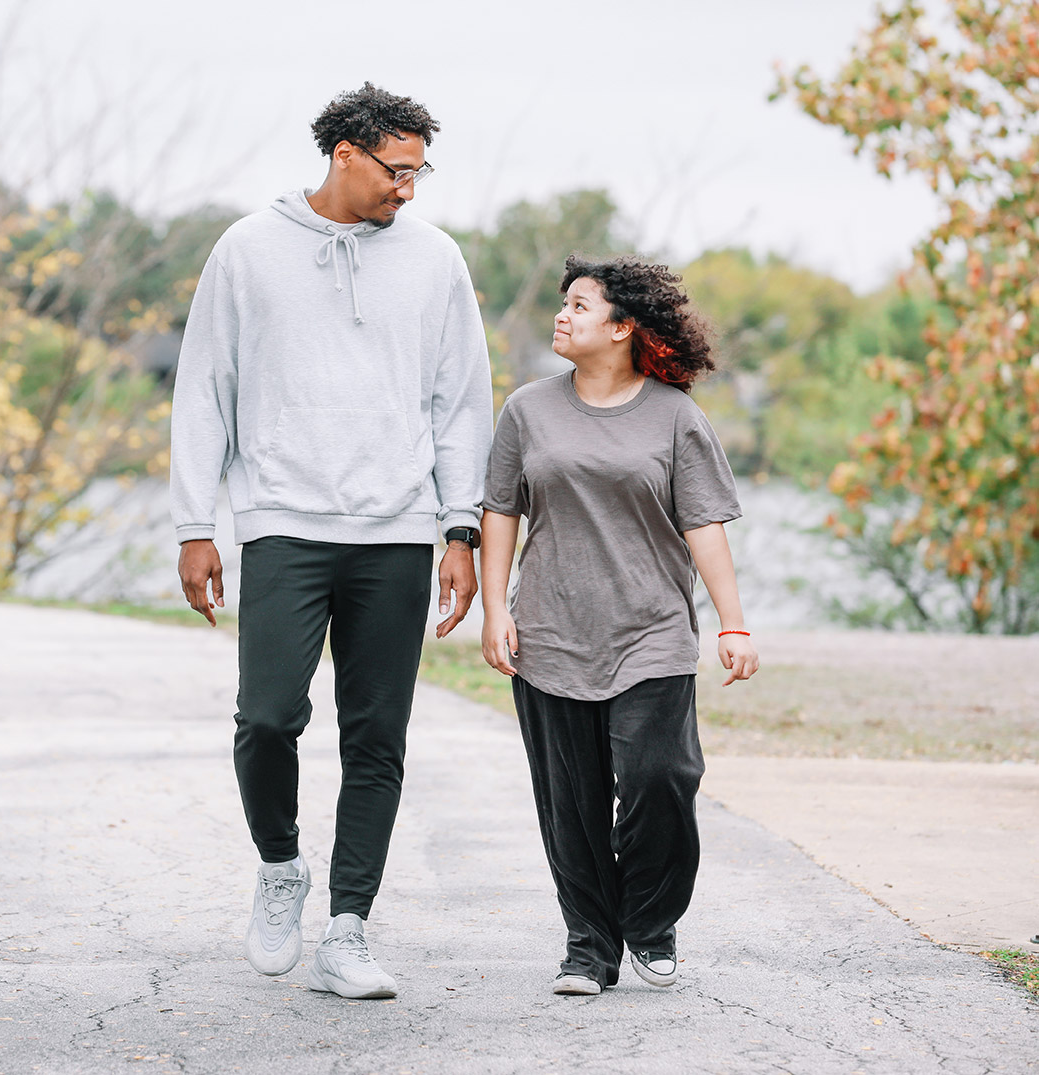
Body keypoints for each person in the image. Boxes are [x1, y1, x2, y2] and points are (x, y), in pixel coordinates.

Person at [169, 83, 492, 999]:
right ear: (343, 153)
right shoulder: (247, 250)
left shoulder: (435, 261)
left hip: (395, 531)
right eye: (398, 170)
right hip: (282, 520)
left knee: (376, 736)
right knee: (266, 717)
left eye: (421, 170)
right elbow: (204, 389)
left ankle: (348, 927)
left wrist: (457, 525)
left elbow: (460, 399)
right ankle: (280, 865)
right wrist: (196, 523)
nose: (411, 189)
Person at [479, 254, 759, 996]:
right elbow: (499, 509)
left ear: (623, 326)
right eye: (563, 304)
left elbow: (703, 524)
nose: (561, 316)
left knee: (661, 775)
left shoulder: (673, 415)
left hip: (652, 631)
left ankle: (650, 913)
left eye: (578, 305)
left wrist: (731, 624)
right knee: (569, 802)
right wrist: (496, 606)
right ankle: (587, 947)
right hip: (550, 631)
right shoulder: (526, 409)